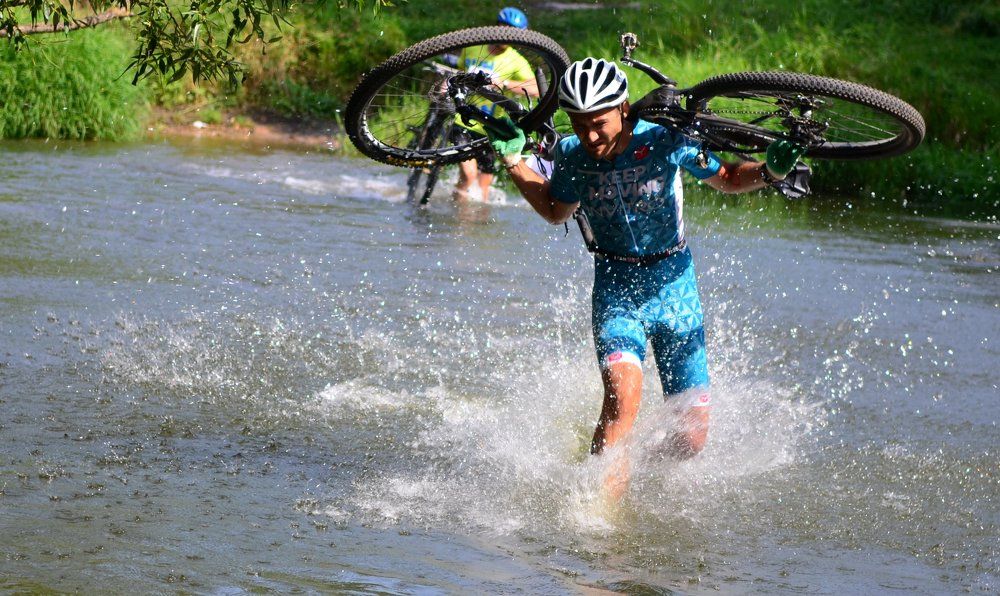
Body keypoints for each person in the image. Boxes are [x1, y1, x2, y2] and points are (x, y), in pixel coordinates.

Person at [487, 58, 804, 479]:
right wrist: (514, 163)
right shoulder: (571, 155)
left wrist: (769, 171)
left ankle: (635, 471)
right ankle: (600, 525)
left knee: (691, 440)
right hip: (616, 289)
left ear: (622, 107)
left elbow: (726, 176)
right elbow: (554, 210)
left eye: (598, 122)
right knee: (620, 404)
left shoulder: (665, 141)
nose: (590, 135)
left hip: (675, 286)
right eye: (578, 124)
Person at [451, 7, 539, 201]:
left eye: (513, 33)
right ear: (497, 26)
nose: (507, 35)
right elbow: (458, 73)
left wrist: (505, 83)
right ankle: (454, 222)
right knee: (468, 175)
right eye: (504, 28)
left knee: (483, 190)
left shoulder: (517, 61)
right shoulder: (473, 46)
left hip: (491, 126)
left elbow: (535, 88)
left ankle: (472, 227)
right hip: (464, 119)